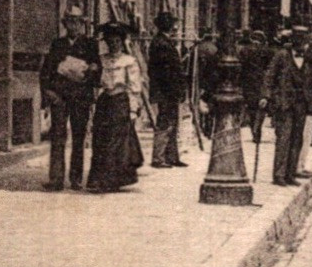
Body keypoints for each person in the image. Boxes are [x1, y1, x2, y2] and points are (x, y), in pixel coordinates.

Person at [41, 6, 101, 191]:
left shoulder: (90, 44)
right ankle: (56, 179)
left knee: (78, 137)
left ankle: (76, 178)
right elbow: (47, 70)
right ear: (65, 24)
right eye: (69, 21)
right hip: (60, 97)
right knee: (58, 137)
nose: (73, 25)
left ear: (82, 24)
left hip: (81, 97)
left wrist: (93, 70)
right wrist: (48, 93)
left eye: (77, 22)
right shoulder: (57, 44)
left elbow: (98, 68)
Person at [85, 22, 144, 193]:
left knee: (116, 141)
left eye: (117, 41)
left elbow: (134, 87)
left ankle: (112, 180)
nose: (113, 45)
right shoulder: (101, 60)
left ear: (122, 42)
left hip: (120, 101)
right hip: (105, 101)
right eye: (110, 41)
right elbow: (95, 82)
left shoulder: (129, 61)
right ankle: (98, 179)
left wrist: (133, 110)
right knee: (100, 139)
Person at [262, 28, 312, 186]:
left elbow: (311, 79)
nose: (303, 45)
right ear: (294, 41)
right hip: (284, 103)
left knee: (296, 140)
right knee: (284, 138)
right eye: (301, 41)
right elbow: (269, 75)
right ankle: (279, 175)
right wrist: (266, 95)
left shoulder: (308, 58)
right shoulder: (281, 55)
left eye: (305, 41)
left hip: (301, 104)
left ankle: (290, 174)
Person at [147, 11, 187, 168]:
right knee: (165, 122)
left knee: (171, 121)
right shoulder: (162, 44)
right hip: (166, 90)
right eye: (173, 25)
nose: (175, 28)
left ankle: (171, 156)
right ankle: (159, 157)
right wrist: (177, 89)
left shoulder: (162, 41)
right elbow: (166, 72)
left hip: (167, 89)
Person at [239, 30, 272, 143]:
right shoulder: (267, 51)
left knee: (252, 107)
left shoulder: (245, 51)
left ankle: (255, 129)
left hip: (249, 83)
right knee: (261, 107)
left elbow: (241, 67)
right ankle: (257, 129)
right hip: (261, 82)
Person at [191, 31, 220, 138]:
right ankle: (208, 128)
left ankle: (198, 125)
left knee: (197, 102)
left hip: (197, 80)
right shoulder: (215, 49)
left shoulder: (196, 48)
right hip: (211, 82)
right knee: (210, 106)